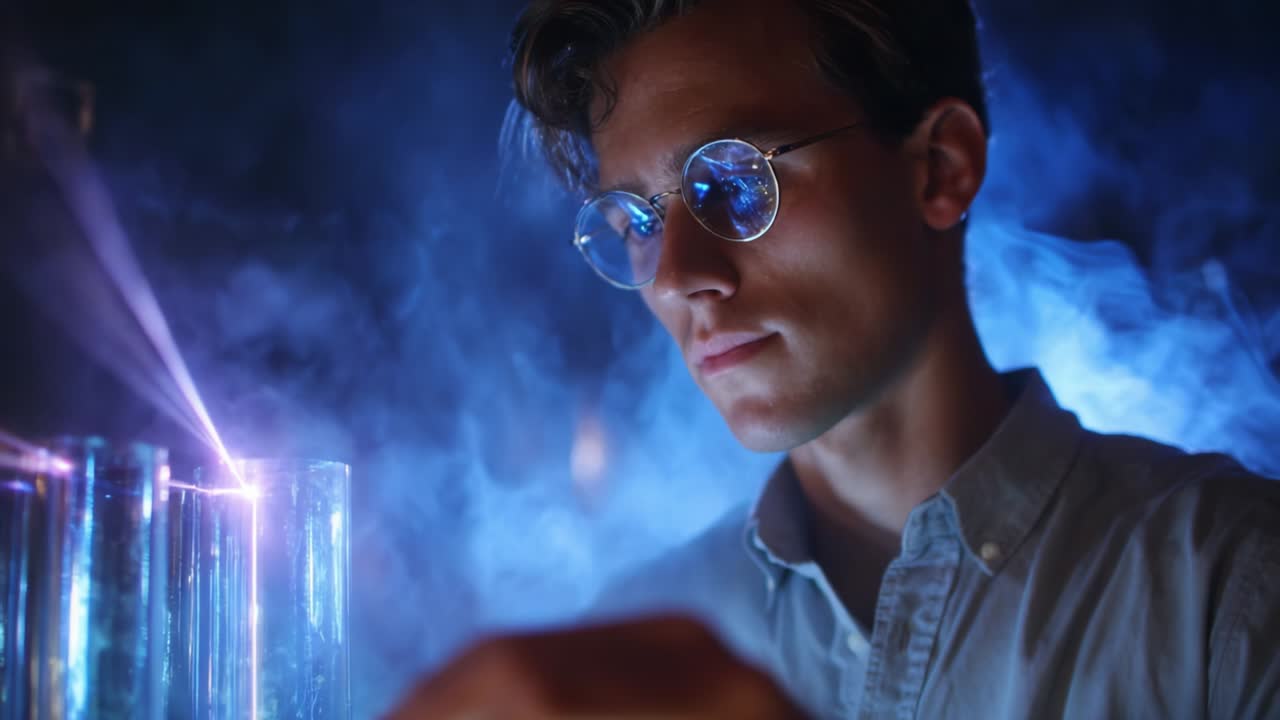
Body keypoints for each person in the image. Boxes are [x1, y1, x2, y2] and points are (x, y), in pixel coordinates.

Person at [390, 0, 1280, 717]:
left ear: (940, 167)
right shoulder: (629, 651)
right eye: (637, 221)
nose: (680, 275)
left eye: (734, 184)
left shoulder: (1229, 591)